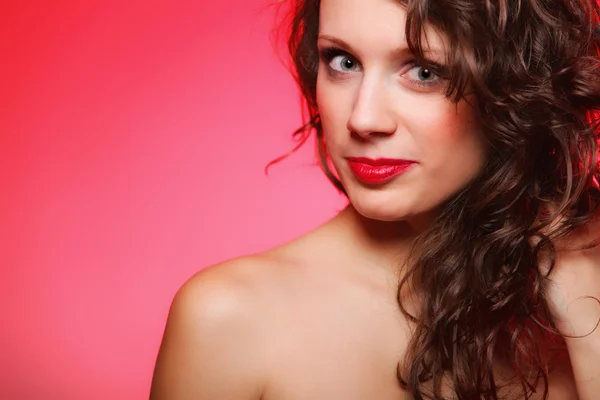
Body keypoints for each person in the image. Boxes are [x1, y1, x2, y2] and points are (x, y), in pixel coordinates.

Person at [149, 0, 600, 398]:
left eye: (423, 71)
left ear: (517, 86)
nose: (362, 119)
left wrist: (585, 313)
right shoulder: (231, 319)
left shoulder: (575, 296)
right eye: (342, 61)